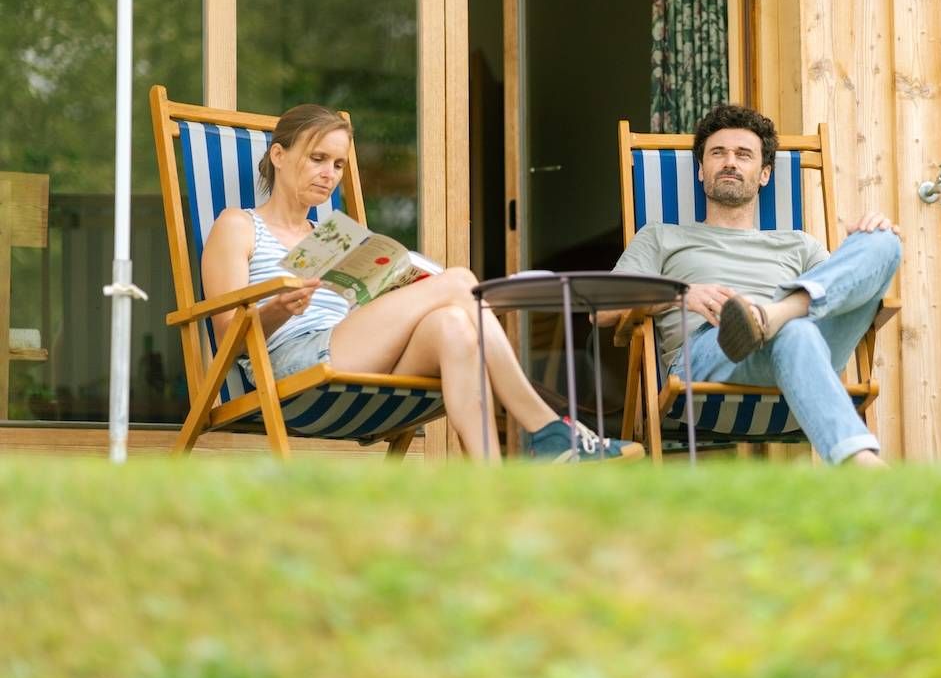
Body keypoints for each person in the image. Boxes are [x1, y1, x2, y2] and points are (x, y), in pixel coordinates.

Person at [202, 103, 642, 463]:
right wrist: (279, 308)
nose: (329, 174)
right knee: (458, 282)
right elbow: (228, 340)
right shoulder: (239, 226)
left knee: (453, 322)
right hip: (294, 372)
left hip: (351, 356)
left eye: (337, 164)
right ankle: (548, 427)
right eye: (318, 159)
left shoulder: (334, 235)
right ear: (278, 155)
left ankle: (498, 488)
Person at [598, 104, 901, 467]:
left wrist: (867, 242)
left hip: (808, 350)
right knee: (796, 332)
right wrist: (677, 295)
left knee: (885, 241)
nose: (730, 162)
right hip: (712, 348)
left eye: (744, 155)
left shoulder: (800, 243)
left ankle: (772, 314)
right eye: (717, 153)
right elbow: (603, 310)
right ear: (701, 169)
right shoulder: (662, 237)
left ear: (764, 175)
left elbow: (843, 295)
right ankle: (861, 461)